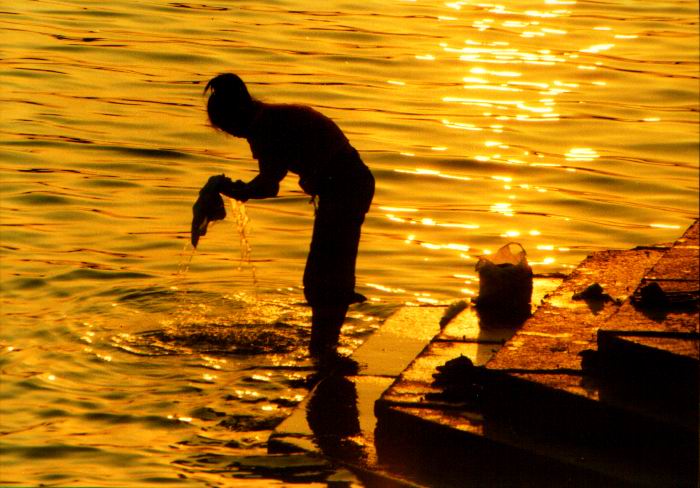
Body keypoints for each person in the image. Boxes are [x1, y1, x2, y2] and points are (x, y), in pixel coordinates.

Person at [194, 73, 374, 368]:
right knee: (327, 272)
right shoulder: (269, 118)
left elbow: (268, 186)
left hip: (345, 187)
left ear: (236, 113)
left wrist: (230, 189)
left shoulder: (266, 126)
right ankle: (324, 349)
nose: (233, 134)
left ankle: (324, 352)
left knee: (323, 277)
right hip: (344, 185)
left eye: (227, 126)